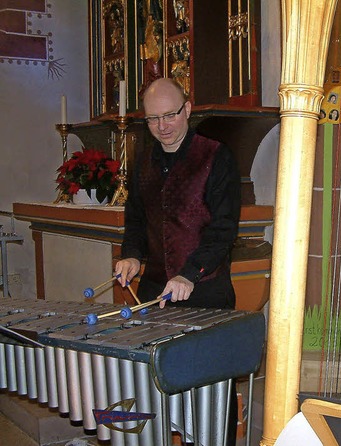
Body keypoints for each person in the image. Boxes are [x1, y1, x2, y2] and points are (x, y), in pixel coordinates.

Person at [115, 77, 240, 445]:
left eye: (169, 115)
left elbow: (223, 230)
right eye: (152, 119)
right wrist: (132, 256)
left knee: (212, 395)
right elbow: (136, 220)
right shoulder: (144, 160)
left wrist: (189, 273)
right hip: (156, 295)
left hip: (207, 294)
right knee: (161, 391)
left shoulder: (216, 156)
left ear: (187, 110)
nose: (162, 126)